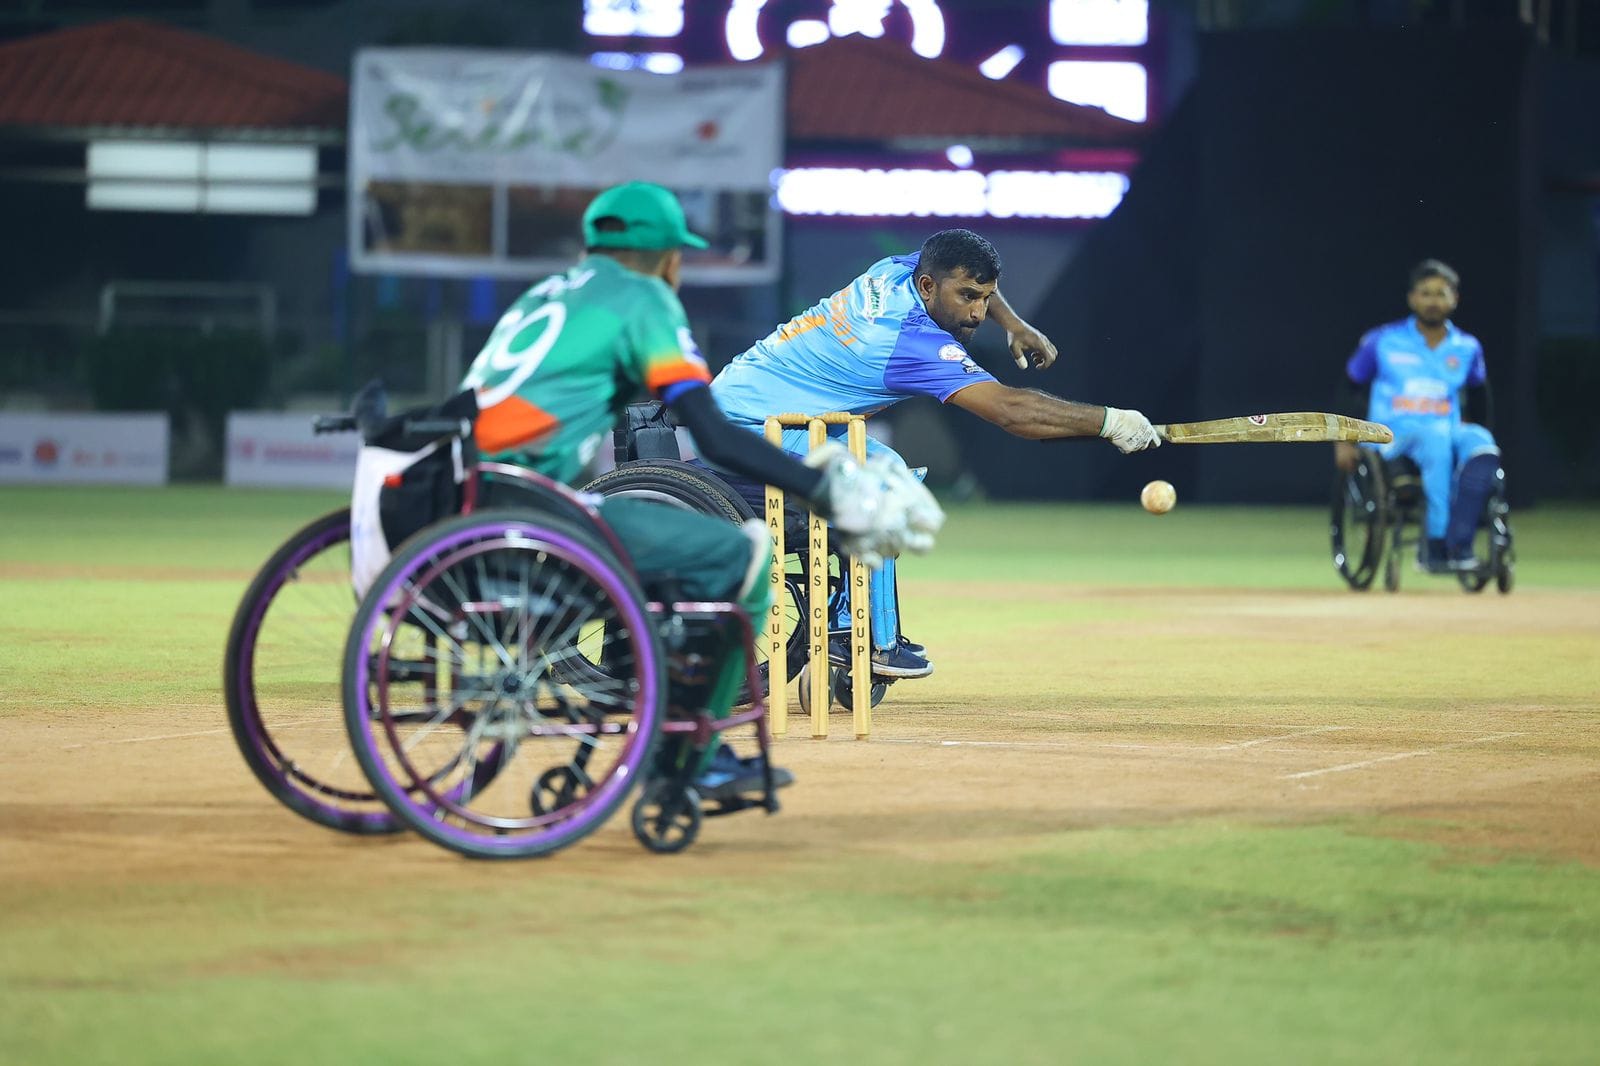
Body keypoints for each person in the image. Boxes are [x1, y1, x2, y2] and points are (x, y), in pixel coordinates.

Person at [458, 181, 941, 799]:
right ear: (667, 256)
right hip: (527, 507)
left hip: (461, 495)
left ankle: (654, 718)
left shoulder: (545, 295)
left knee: (657, 556)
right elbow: (712, 433)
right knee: (743, 557)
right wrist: (824, 490)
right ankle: (693, 757)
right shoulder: (644, 299)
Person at [709, 228, 1160, 679]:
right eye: (968, 298)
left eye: (985, 298)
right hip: (749, 427)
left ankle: (855, 627)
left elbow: (964, 276)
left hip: (745, 398)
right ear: (928, 287)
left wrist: (1013, 324)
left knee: (886, 469)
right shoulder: (910, 341)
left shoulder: (897, 271)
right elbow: (1011, 412)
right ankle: (860, 635)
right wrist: (1110, 421)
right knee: (884, 487)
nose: (978, 312)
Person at [1334, 258, 1502, 573]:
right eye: (1425, 293)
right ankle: (1435, 545)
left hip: (1446, 427)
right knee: (1435, 441)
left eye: (1441, 293)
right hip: (1393, 432)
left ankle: (1461, 541)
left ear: (1454, 298)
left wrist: (1476, 428)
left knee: (1482, 443)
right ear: (1412, 298)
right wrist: (1343, 440)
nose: (1433, 301)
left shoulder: (1467, 347)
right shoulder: (1382, 340)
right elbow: (1350, 386)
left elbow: (1480, 396)